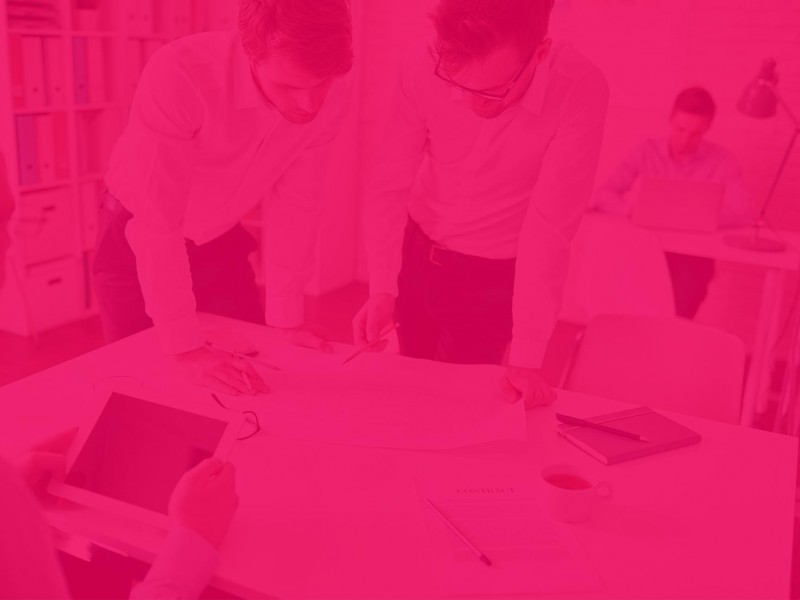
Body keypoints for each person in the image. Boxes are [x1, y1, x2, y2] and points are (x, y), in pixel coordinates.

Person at [353, 0, 609, 406]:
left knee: (458, 407)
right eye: (458, 85)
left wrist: (526, 357)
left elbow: (550, 229)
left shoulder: (579, 88)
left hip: (490, 277)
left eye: (492, 92)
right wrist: (383, 286)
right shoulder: (425, 63)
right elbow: (389, 183)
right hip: (415, 251)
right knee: (409, 389)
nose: (472, 105)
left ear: (539, 53)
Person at [94, 0, 353, 396]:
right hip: (137, 235)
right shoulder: (180, 74)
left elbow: (297, 204)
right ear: (251, 53)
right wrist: (185, 348)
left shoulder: (329, 89)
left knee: (255, 374)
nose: (310, 105)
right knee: (144, 387)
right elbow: (158, 223)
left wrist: (287, 317)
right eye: (289, 87)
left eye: (320, 84)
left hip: (219, 235)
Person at [592, 87, 756, 318]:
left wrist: (702, 219)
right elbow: (603, 194)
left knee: (676, 317)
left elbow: (745, 212)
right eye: (680, 129)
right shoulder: (646, 152)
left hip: (692, 259)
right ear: (670, 119)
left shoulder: (722, 161)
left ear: (708, 128)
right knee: (632, 305)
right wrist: (632, 211)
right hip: (645, 250)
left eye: (695, 134)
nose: (685, 140)